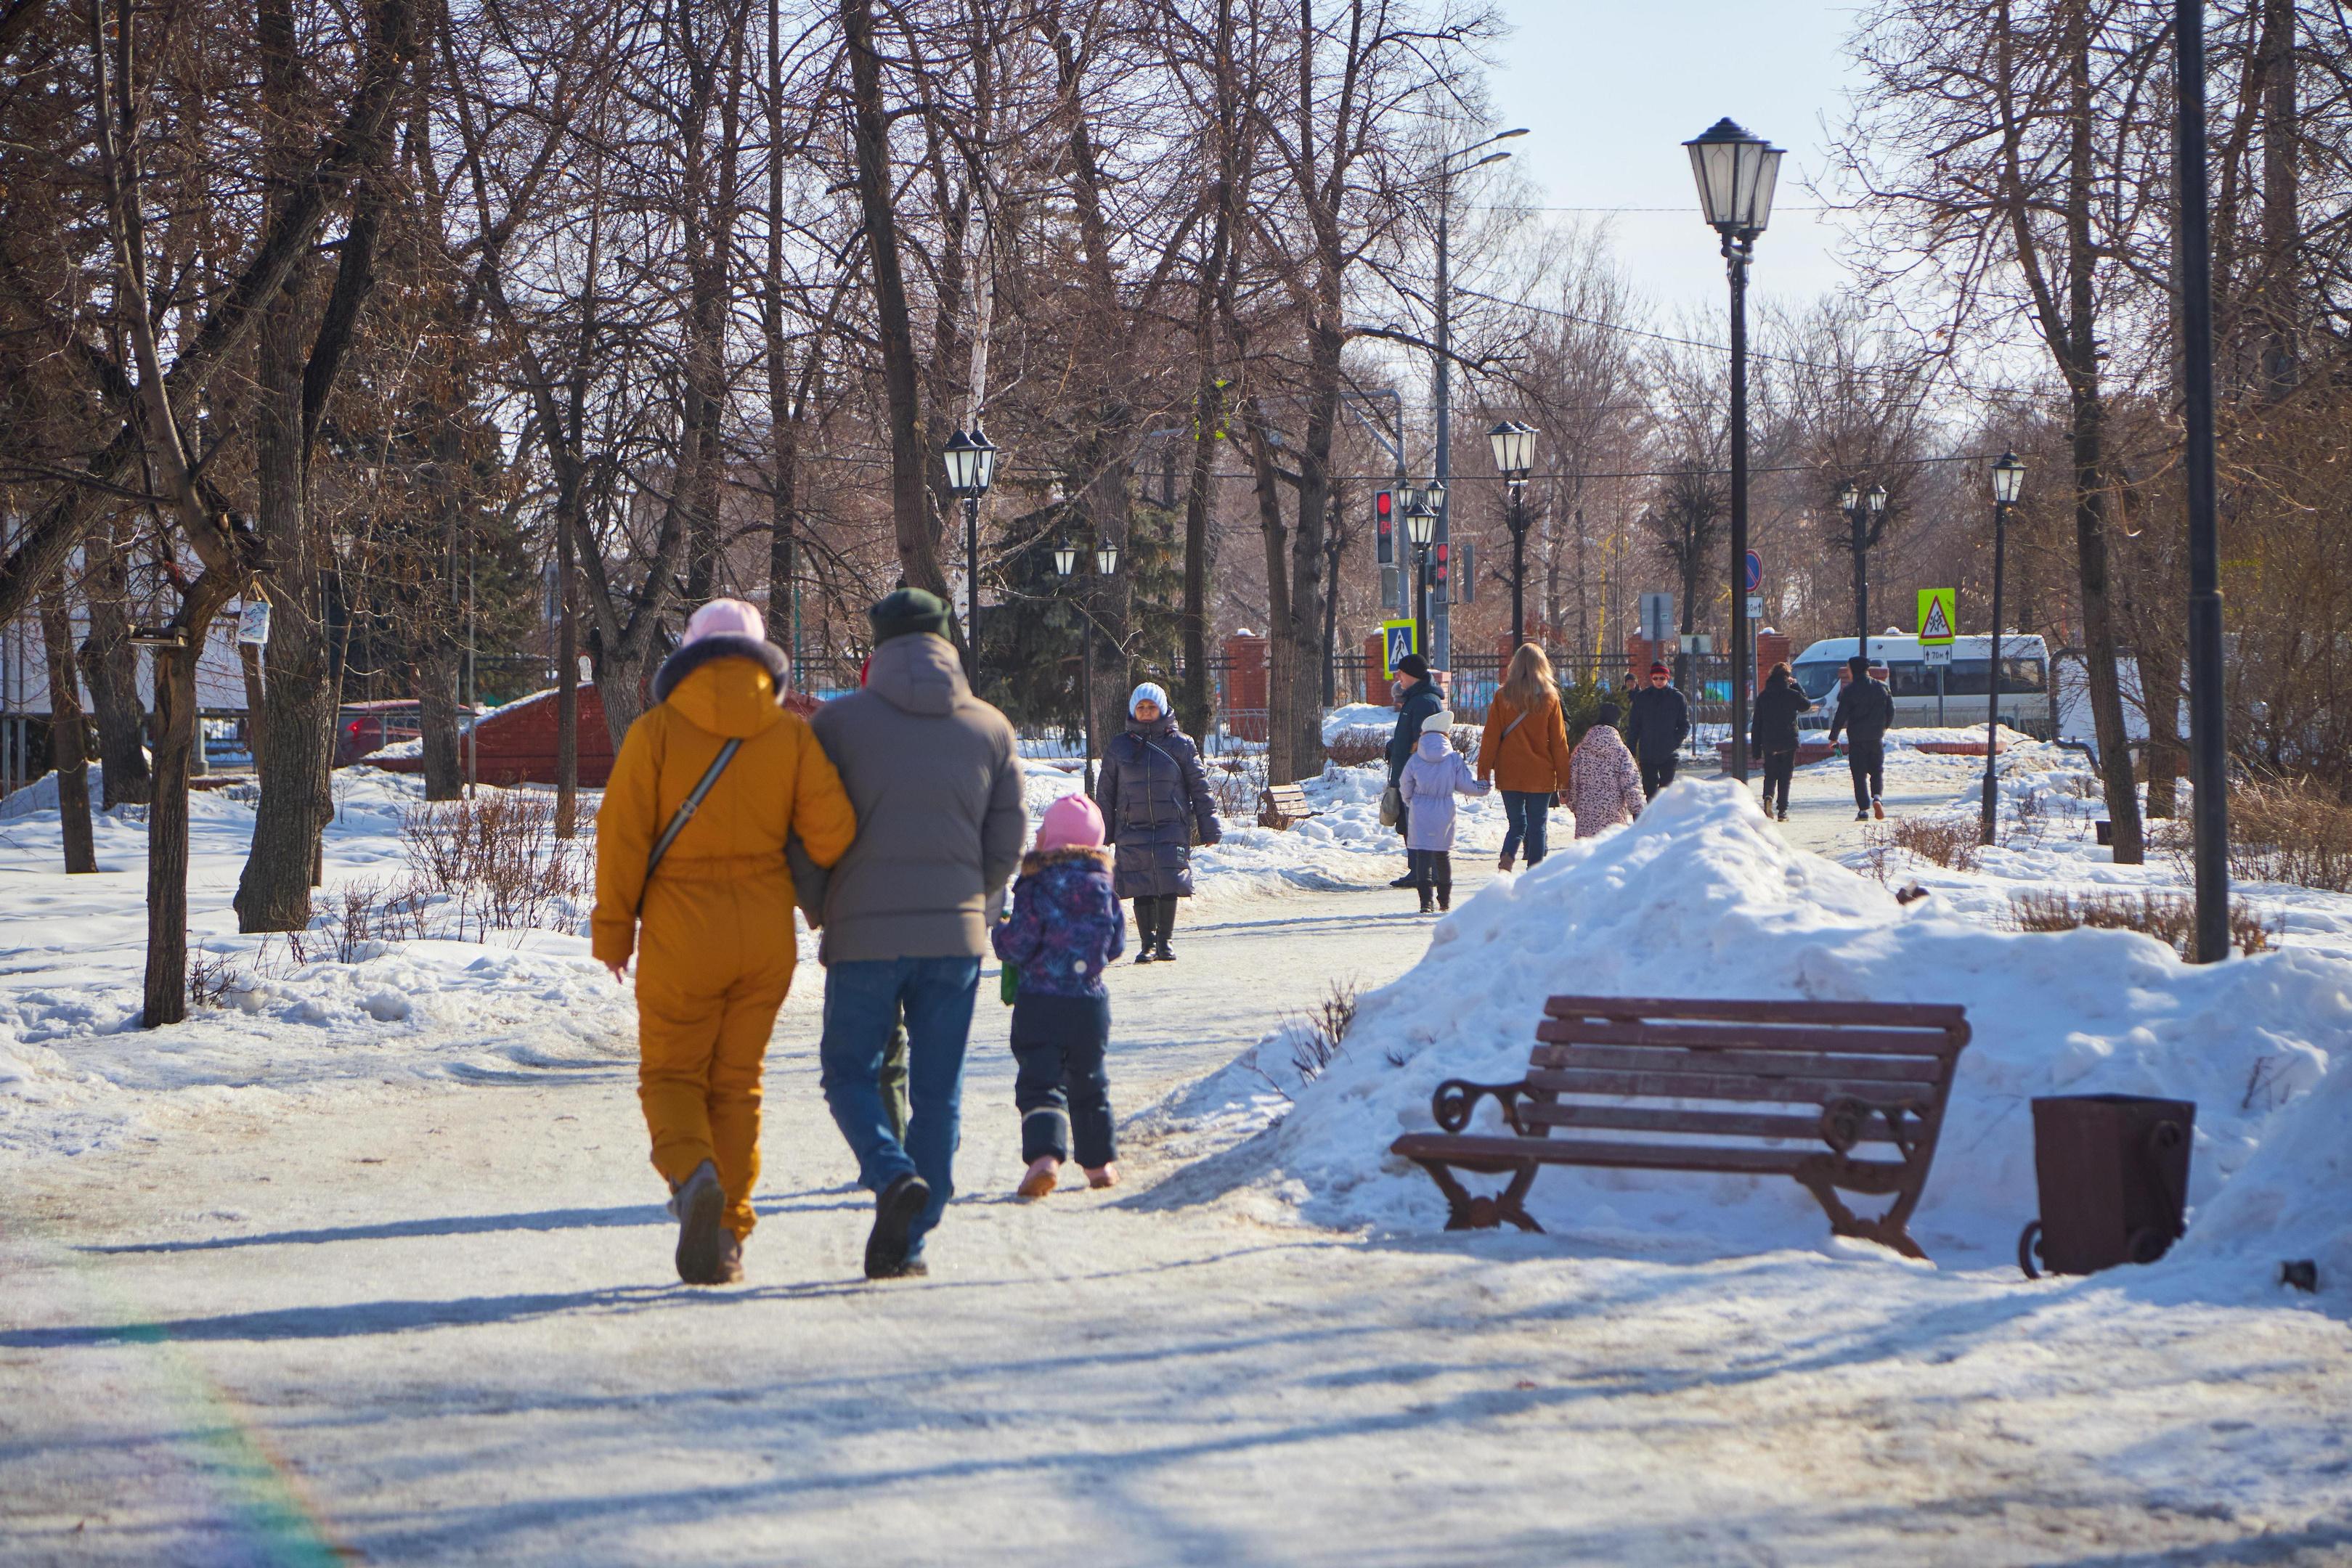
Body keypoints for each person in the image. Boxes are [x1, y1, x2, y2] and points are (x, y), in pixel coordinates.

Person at [593, 598, 857, 1286]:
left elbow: (621, 840)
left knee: (673, 1076)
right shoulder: (790, 737)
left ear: (687, 656)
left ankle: (693, 1176)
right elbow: (832, 835)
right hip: (765, 935)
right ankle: (731, 1236)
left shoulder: (654, 734)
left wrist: (614, 931)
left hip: (682, 933)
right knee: (737, 1086)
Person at [805, 588, 1026, 1280]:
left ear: (878, 645)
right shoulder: (991, 727)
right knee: (940, 1089)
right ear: (944, 640)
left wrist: (821, 907)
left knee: (849, 1073)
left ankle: (890, 1171)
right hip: (954, 937)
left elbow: (804, 830)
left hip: (861, 934)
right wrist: (976, 904)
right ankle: (913, 1237)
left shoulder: (837, 727)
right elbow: (1009, 839)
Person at [991, 792, 1125, 1199]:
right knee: (1089, 1080)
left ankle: (1045, 1159)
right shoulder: (1104, 887)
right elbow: (1116, 945)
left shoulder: (1035, 886)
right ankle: (1100, 1164)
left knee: (1041, 1080)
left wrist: (999, 931)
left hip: (1040, 1003)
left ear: (1048, 840)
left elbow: (1017, 944)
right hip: (1088, 1003)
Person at [1096, 682, 1221, 962]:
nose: (1146, 712)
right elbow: (1105, 791)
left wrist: (1209, 826)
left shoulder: (1181, 744)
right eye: (1141, 707)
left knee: (1168, 882)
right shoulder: (1119, 746)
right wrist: (1102, 831)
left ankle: (1166, 941)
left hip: (1171, 825)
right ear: (1133, 710)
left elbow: (1200, 787)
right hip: (1132, 826)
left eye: (1151, 707)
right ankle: (1147, 944)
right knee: (1141, 885)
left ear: (1162, 709)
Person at [1478, 643, 1576, 871]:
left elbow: (1490, 736)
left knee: (1517, 823)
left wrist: (1484, 771)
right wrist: (1564, 780)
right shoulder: (1551, 698)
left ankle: (1507, 859)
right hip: (1541, 773)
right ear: (1542, 666)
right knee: (1538, 826)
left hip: (1509, 770)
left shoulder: (1503, 696)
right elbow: (1560, 742)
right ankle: (1535, 873)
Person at [1397, 708, 1491, 912]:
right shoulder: (1453, 759)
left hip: (1420, 809)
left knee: (1423, 855)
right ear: (1445, 735)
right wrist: (1484, 787)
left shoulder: (1415, 759)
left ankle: (1425, 903)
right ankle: (1445, 901)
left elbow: (1404, 784)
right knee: (1442, 855)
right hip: (1444, 810)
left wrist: (1411, 801)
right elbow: (1466, 785)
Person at [1384, 654, 1444, 887]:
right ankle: (1420, 871)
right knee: (1412, 824)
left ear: (1413, 675)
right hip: (1409, 773)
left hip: (1419, 775)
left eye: (1401, 672)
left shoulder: (1425, 702)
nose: (1397, 676)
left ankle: (1427, 872)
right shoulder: (1414, 699)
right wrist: (1394, 746)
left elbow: (1427, 741)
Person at [1827, 653, 1895, 822]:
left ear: (1853, 670)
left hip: (1857, 739)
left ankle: (1863, 810)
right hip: (1876, 737)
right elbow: (1891, 711)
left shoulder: (1849, 691)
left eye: (1849, 669)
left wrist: (1833, 737)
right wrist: (1883, 727)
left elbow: (1840, 716)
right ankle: (1877, 798)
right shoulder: (1882, 687)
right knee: (1877, 771)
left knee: (1859, 775)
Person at [1750, 661, 1815, 823]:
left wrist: (1756, 749)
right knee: (1785, 777)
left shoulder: (1763, 697)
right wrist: (1798, 686)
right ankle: (1783, 811)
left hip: (1769, 742)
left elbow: (1757, 723)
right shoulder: (1792, 694)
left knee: (1770, 774)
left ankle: (1768, 797)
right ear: (1787, 678)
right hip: (1788, 741)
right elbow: (1806, 705)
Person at [1568, 703, 1645, 839]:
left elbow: (1572, 782)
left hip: (1586, 819)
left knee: (1587, 857)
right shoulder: (1622, 752)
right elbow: (1631, 784)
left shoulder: (1581, 750)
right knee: (1610, 857)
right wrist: (1638, 811)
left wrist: (1574, 805)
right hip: (1614, 820)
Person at [1627, 662, 1690, 799]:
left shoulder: (1677, 698)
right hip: (1647, 753)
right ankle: (1653, 819)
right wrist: (1631, 749)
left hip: (1668, 753)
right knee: (1650, 792)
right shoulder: (1642, 698)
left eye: (1662, 678)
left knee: (1665, 793)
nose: (1659, 681)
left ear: (1668, 678)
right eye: (1655, 678)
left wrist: (1674, 742)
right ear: (1651, 678)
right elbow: (1634, 726)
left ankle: (1663, 819)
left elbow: (1684, 725)